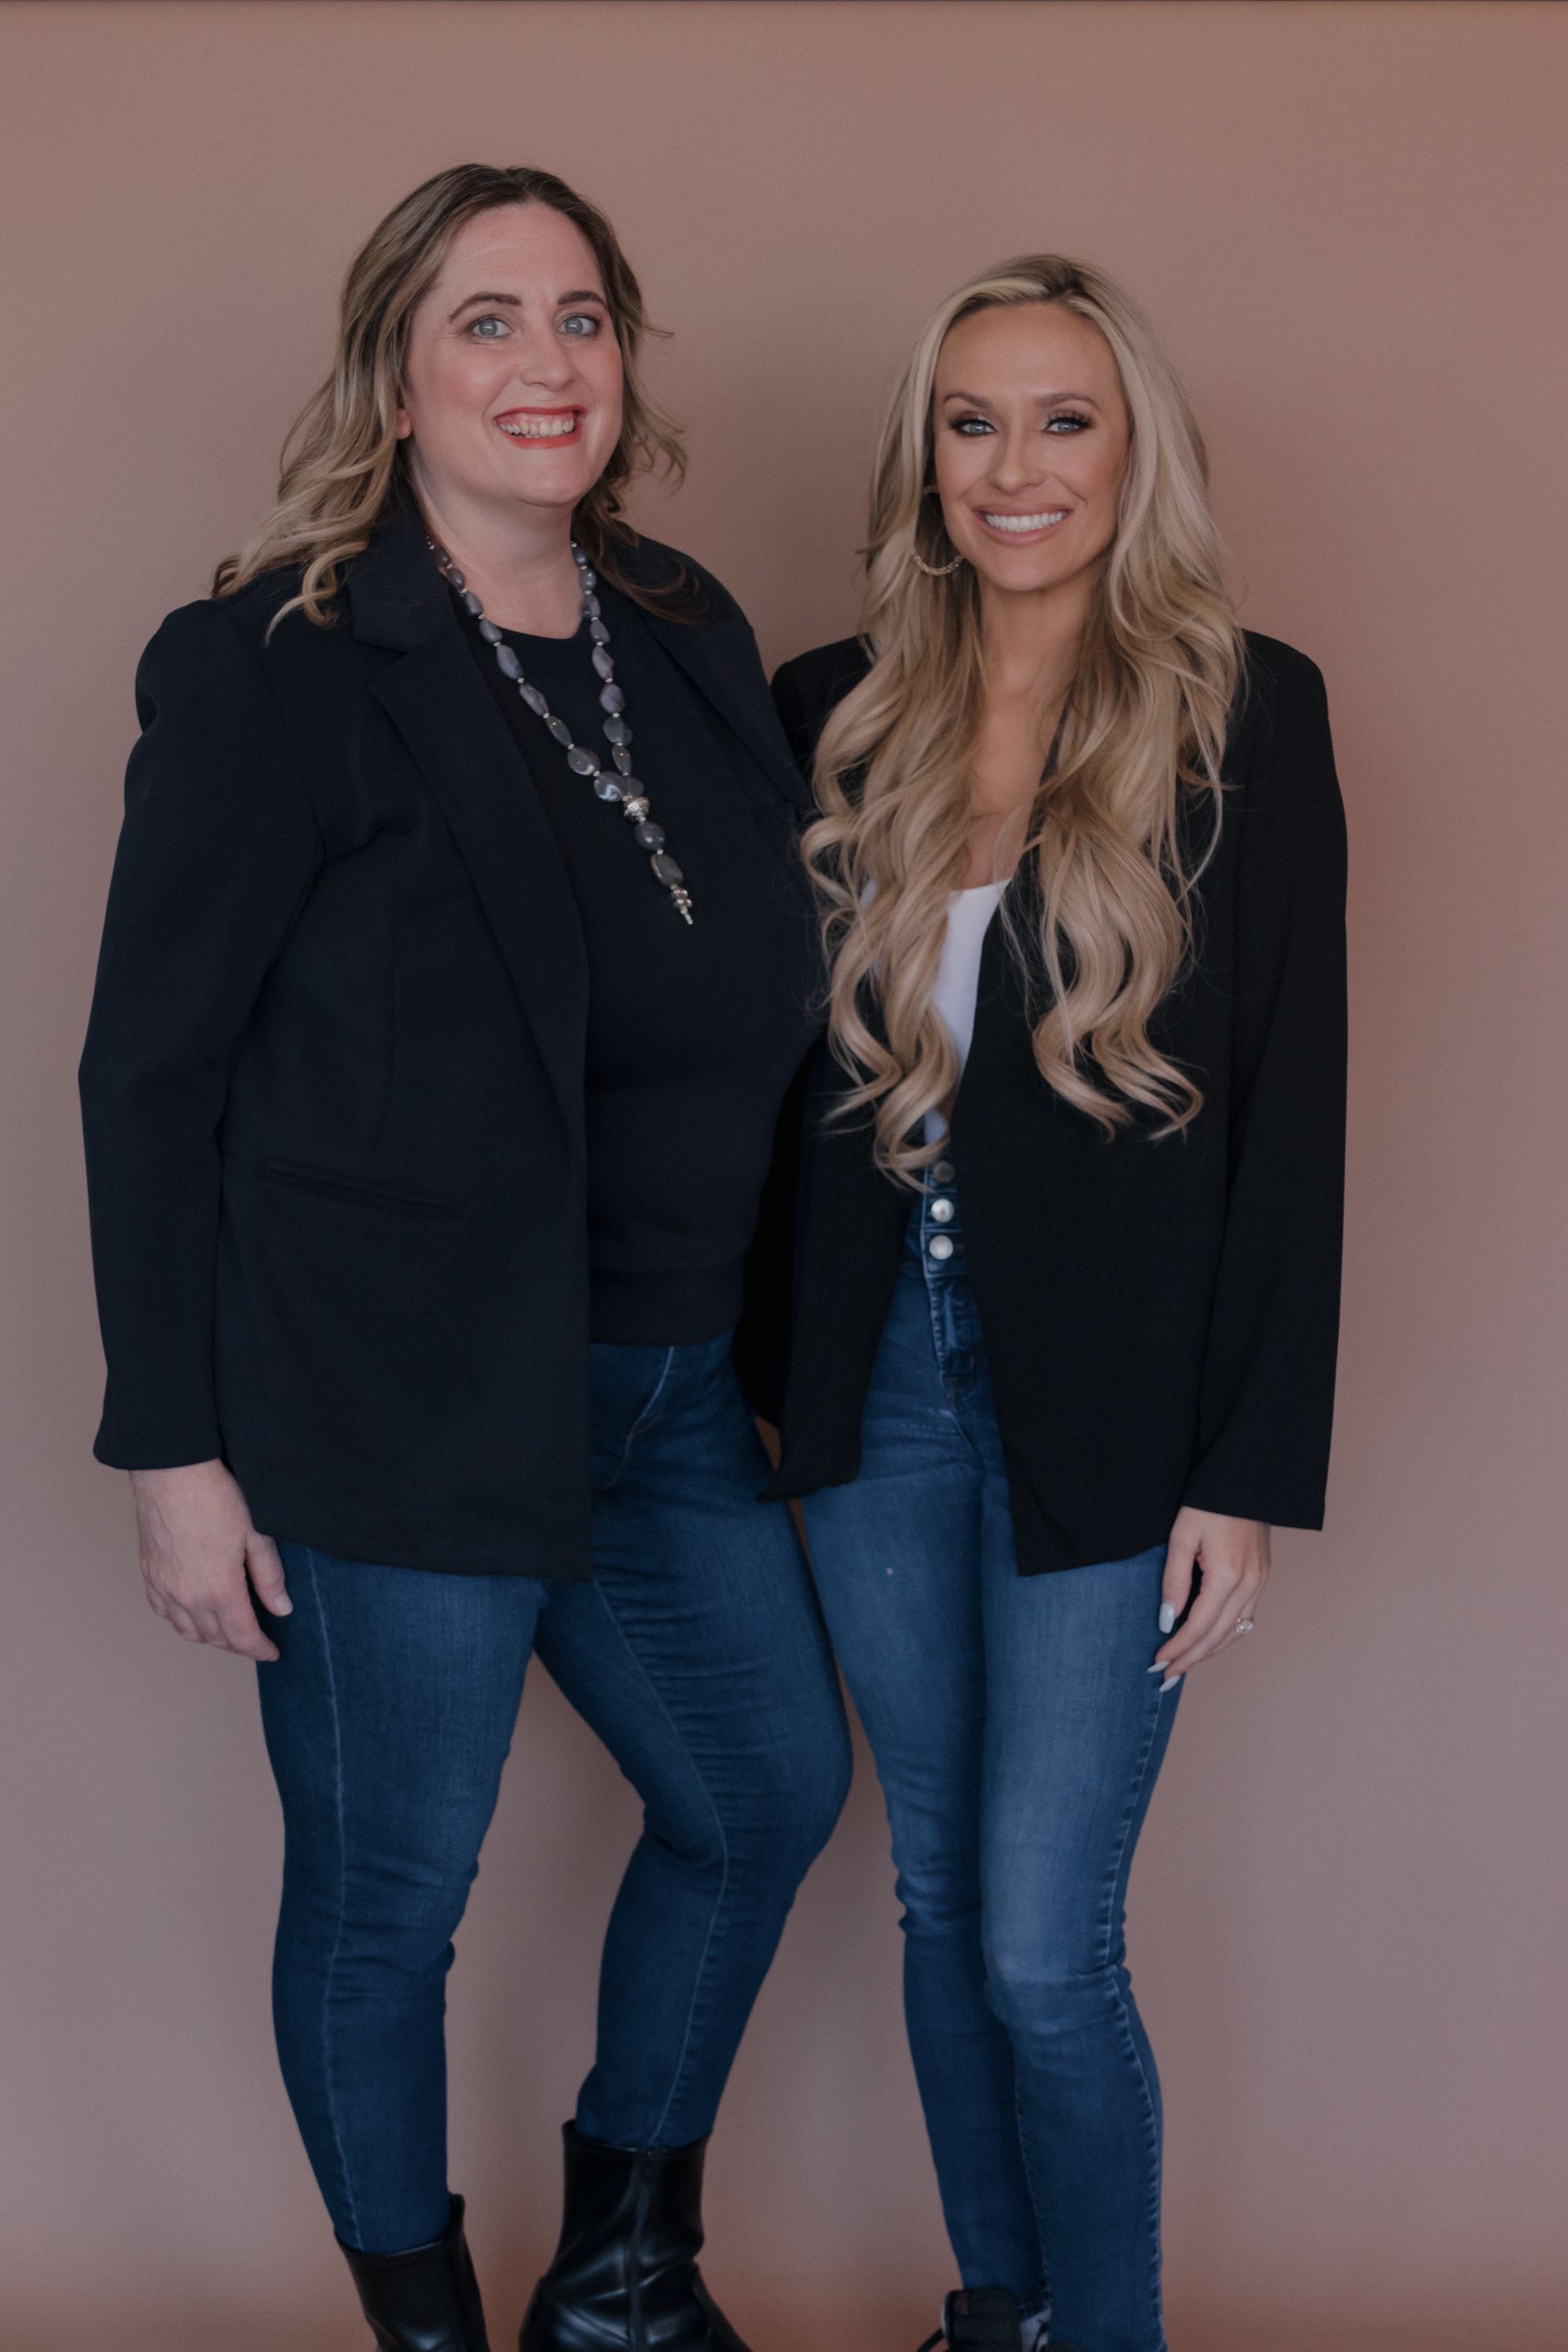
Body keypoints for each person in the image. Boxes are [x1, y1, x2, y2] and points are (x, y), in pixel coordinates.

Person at [78, 162, 850, 2352]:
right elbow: (152, 1080)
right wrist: (178, 1454)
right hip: (384, 1406)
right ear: (397, 369)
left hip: (669, 1394)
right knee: (395, 1896)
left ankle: (615, 2278)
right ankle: (422, 2327)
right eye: (486, 319)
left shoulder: (688, 633)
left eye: (583, 317)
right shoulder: (273, 664)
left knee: (765, 1790)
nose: (544, 365)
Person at [764, 256, 1348, 2352]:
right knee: (934, 1902)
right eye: (974, 422)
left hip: (1114, 1404)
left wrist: (1250, 1464)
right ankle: (996, 2314)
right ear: (925, 461)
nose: (1017, 467)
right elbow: (764, 1102)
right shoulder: (823, 702)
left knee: (1039, 1946)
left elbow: (1297, 1108)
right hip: (871, 1399)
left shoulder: (1247, 707)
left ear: (1135, 451)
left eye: (1064, 419)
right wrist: (760, 1392)